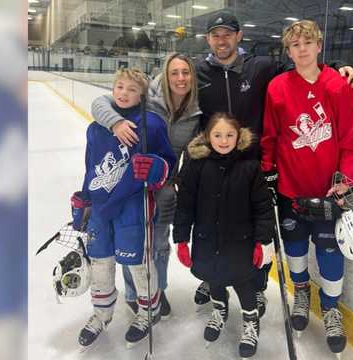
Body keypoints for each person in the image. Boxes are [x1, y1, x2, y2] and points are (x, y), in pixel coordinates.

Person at [93, 11, 353, 317]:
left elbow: (300, 67)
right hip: (213, 163)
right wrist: (115, 120)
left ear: (238, 37)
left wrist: (338, 69)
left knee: (256, 230)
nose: (222, 40)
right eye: (215, 35)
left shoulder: (260, 66)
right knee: (210, 223)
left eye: (227, 34)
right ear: (208, 40)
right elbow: (138, 94)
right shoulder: (196, 73)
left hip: (253, 165)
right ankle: (211, 278)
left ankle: (257, 288)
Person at [260, 20, 353, 355]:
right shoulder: (277, 87)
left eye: (307, 42)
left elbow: (351, 143)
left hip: (327, 194)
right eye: (294, 45)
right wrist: (268, 175)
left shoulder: (338, 86)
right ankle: (301, 293)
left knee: (329, 251)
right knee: (294, 249)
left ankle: (331, 307)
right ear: (288, 51)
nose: (301, 49)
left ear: (319, 46)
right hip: (291, 191)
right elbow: (270, 139)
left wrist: (344, 181)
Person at [90, 53, 202, 317]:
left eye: (185, 73)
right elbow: (100, 101)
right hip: (134, 185)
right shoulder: (148, 97)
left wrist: (179, 183)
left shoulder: (196, 110)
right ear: (165, 74)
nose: (180, 78)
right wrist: (115, 121)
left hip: (164, 183)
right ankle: (132, 293)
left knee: (160, 243)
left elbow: (192, 151)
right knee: (135, 242)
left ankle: (156, 290)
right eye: (174, 72)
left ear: (192, 77)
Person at [72, 68, 176, 348]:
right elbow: (90, 165)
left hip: (133, 205)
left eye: (131, 89)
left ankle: (147, 311)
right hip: (101, 207)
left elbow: (168, 161)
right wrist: (84, 198)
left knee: (139, 265)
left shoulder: (151, 124)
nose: (123, 93)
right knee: (101, 264)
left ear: (142, 94)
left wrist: (157, 167)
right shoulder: (96, 127)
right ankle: (102, 314)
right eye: (119, 87)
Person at [173, 113, 274, 358]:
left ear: (238, 137)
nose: (224, 140)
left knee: (244, 283)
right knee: (214, 279)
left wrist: (263, 240)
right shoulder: (197, 167)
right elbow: (185, 205)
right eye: (217, 135)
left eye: (230, 135)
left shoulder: (250, 168)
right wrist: (181, 239)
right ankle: (219, 310)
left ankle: (250, 322)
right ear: (208, 137)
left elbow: (263, 207)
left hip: (240, 242)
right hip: (206, 240)